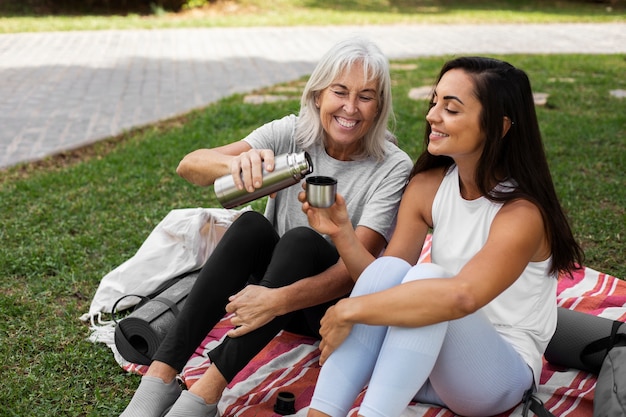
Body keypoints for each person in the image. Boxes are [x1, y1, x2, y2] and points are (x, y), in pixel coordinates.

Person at [119, 37, 413, 417]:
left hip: (326, 311)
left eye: (366, 97)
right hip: (270, 290)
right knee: (251, 226)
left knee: (302, 241)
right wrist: (237, 165)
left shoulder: (392, 166)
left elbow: (350, 274)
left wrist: (277, 300)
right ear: (318, 95)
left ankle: (204, 395)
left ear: (380, 107)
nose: (350, 108)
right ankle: (157, 380)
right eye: (340, 92)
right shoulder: (292, 133)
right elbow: (189, 165)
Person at [301, 56, 584, 417]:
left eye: (450, 108)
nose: (432, 116)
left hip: (494, 379)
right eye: (434, 102)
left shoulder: (522, 214)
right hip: (424, 364)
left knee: (428, 279)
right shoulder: (428, 186)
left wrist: (348, 310)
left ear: (499, 126)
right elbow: (379, 281)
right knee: (389, 270)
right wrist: (343, 233)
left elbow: (461, 297)